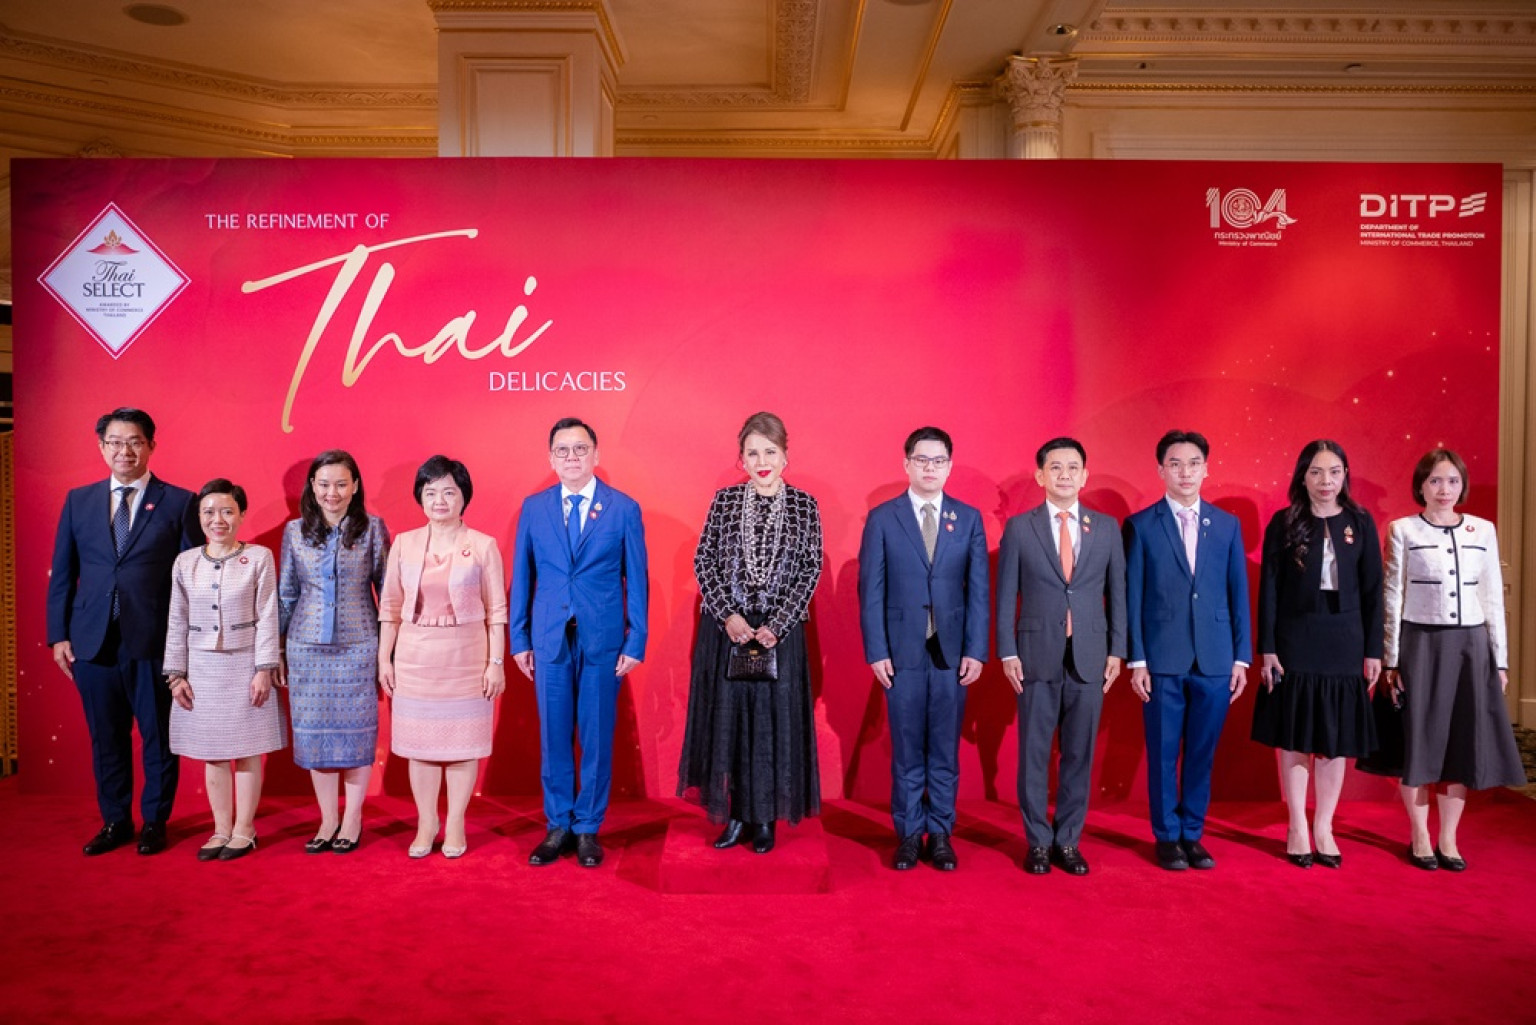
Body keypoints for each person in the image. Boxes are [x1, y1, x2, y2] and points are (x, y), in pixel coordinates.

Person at [47, 407, 199, 857]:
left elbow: (190, 577)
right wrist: (58, 635)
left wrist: (185, 644)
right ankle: (115, 820)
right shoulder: (79, 501)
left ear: (151, 445)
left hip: (152, 639)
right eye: (114, 442)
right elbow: (63, 573)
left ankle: (154, 821)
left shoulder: (179, 502)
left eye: (134, 441)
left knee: (158, 737)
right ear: (101, 447)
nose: (124, 450)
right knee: (106, 738)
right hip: (92, 640)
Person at [678, 411, 823, 854]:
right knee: (731, 723)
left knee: (772, 725)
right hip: (730, 634)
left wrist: (778, 624)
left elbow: (810, 568)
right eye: (753, 453)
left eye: (770, 452)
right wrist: (728, 616)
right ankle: (736, 816)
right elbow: (704, 560)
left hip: (781, 634)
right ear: (741, 459)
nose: (762, 462)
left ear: (785, 456)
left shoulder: (804, 506)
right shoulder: (724, 501)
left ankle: (765, 820)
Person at [510, 419, 648, 869]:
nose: (572, 457)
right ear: (551, 458)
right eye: (563, 450)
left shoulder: (623, 509)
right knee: (553, 736)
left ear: (596, 455)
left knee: (596, 735)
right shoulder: (534, 508)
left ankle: (588, 827)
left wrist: (636, 638)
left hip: (602, 639)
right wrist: (519, 638)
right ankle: (558, 825)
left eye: (580, 449)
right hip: (549, 638)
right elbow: (523, 576)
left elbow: (637, 579)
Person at [1381, 448, 1524, 871]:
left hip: (1471, 648)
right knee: (1420, 742)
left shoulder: (1483, 530)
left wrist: (1499, 662)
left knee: (1461, 743)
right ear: (1421, 486)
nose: (1445, 489)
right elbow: (1393, 597)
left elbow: (1492, 597)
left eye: (1453, 481)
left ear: (1462, 486)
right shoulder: (1402, 529)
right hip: (1421, 645)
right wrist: (1391, 661)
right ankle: (1420, 835)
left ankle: (1448, 838)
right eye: (1436, 481)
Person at [858, 427, 988, 871]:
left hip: (952, 653)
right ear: (906, 464)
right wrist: (877, 650)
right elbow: (870, 590)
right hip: (901, 652)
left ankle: (942, 833)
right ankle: (910, 833)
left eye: (938, 460)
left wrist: (976, 650)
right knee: (908, 747)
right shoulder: (883, 518)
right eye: (921, 459)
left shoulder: (967, 518)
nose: (930, 467)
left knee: (945, 750)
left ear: (949, 466)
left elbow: (979, 591)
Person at [997, 437, 1125, 876]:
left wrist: (1117, 650)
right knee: (1033, 753)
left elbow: (1118, 593)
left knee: (1079, 754)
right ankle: (1037, 841)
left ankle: (1068, 840)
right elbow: (1005, 595)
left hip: (1091, 655)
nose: (1064, 474)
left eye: (1073, 467)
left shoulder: (1106, 528)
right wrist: (1007, 650)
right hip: (1035, 655)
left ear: (1084, 475)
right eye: (1055, 467)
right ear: (1041, 475)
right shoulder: (1020, 528)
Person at [1124, 429, 1252, 871]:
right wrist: (1137, 658)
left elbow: (1238, 593)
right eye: (1175, 464)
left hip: (1215, 658)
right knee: (1162, 753)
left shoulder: (1227, 525)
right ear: (1161, 470)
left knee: (1201, 752)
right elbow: (1132, 597)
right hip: (1162, 658)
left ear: (1206, 469)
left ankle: (1192, 833)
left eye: (1193, 463)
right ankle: (1166, 836)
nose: (1185, 472)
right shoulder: (1141, 526)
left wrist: (1241, 657)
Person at [1251, 440, 1382, 869]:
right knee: (1295, 735)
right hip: (1295, 638)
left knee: (1333, 739)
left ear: (1345, 476)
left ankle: (1323, 825)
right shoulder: (1285, 521)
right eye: (1316, 472)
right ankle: (1297, 825)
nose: (1326, 481)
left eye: (1335, 472)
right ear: (1302, 476)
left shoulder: (1360, 522)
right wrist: (1268, 648)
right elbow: (1269, 590)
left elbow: (1374, 590)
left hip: (1345, 639)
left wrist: (1374, 650)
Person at [378, 456, 507, 860]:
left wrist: (496, 663)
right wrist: (385, 659)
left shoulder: (483, 545)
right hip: (415, 658)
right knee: (421, 747)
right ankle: (426, 822)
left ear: (463, 496)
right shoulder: (405, 543)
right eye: (430, 492)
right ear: (420, 496)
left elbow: (497, 611)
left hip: (466, 658)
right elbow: (390, 607)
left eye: (449, 492)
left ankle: (455, 824)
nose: (439, 500)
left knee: (462, 746)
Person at [165, 479, 285, 861]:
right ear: (199, 516)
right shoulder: (185, 562)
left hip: (246, 664)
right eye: (209, 512)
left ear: (241, 515)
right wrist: (175, 675)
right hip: (202, 668)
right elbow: (176, 619)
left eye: (227, 511)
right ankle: (220, 829)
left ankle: (244, 829)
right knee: (213, 752)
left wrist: (264, 668)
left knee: (248, 750)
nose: (218, 520)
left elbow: (268, 614)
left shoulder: (259, 557)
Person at [279, 450, 390, 854]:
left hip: (359, 644)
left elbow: (388, 592)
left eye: (342, 484)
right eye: (324, 484)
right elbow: (286, 593)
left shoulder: (373, 529)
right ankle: (327, 819)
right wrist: (277, 649)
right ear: (312, 486)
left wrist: (387, 651)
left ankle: (353, 817)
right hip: (306, 646)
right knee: (315, 736)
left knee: (357, 735)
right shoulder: (294, 531)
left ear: (355, 486)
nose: (332, 492)